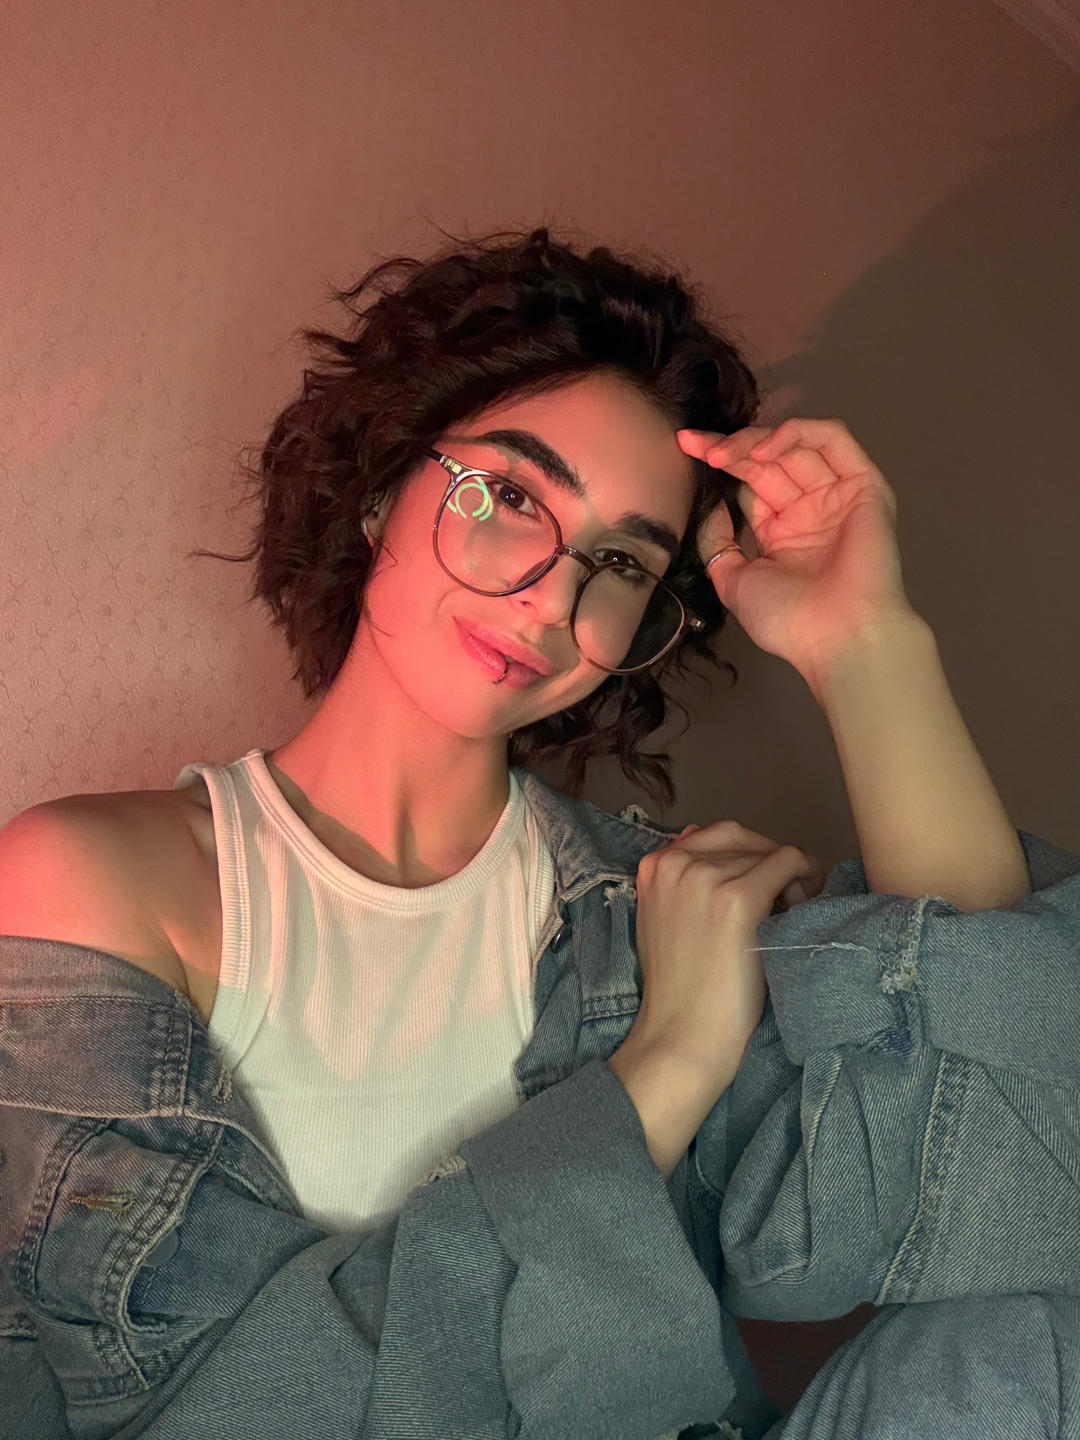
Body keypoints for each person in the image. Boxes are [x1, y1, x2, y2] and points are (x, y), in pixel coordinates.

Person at [1, 225, 1077, 1439]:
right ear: (380, 486)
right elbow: (229, 1414)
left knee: (1038, 1347)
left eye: (619, 560)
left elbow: (1017, 1179)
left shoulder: (652, 913)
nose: (555, 598)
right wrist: (664, 1065)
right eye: (512, 496)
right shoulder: (93, 879)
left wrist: (866, 646)